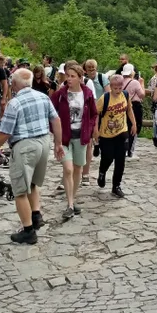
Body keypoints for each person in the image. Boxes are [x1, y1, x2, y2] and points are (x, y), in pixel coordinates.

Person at [0, 68, 63, 244]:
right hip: (43, 142)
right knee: (33, 183)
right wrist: (58, 143)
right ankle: (36, 214)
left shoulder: (15, 103)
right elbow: (55, 119)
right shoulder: (43, 97)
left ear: (15, 84)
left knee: (20, 191)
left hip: (25, 146)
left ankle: (28, 230)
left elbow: (4, 133)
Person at [51, 61, 98, 220]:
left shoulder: (87, 93)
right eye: (67, 76)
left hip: (81, 136)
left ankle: (72, 199)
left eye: (72, 76)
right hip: (64, 137)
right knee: (68, 169)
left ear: (80, 77)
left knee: (78, 169)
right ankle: (70, 204)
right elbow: (51, 114)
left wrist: (91, 129)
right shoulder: (60, 94)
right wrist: (54, 133)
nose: (68, 79)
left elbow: (93, 114)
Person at [97, 73, 137, 198]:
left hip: (122, 131)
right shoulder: (105, 98)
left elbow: (129, 109)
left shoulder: (125, 95)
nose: (118, 91)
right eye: (115, 88)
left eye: (120, 88)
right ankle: (102, 172)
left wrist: (134, 124)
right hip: (106, 134)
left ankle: (116, 186)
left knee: (120, 160)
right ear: (111, 87)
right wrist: (95, 131)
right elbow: (96, 114)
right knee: (108, 157)